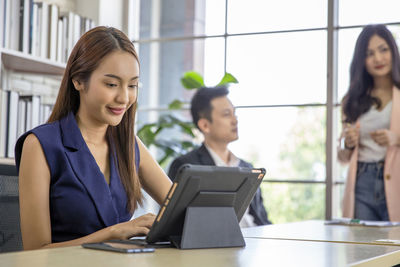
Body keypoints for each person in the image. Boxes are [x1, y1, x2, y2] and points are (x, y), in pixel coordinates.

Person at [14, 26, 173, 250]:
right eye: (111, 84)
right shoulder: (41, 145)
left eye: (132, 85)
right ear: (78, 80)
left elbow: (180, 207)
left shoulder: (129, 144)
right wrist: (114, 233)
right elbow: (35, 251)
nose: (124, 97)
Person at [168, 86, 271, 226]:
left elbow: (262, 219)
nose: (235, 120)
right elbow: (180, 225)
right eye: (227, 114)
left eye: (235, 113)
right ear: (205, 125)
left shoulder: (248, 168)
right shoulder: (186, 166)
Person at [339, 24, 400, 221]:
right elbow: (342, 156)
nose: (378, 59)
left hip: (396, 180)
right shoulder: (351, 100)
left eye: (383, 50)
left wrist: (396, 138)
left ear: (393, 50)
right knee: (363, 250)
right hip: (361, 183)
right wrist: (348, 143)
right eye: (369, 53)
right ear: (361, 60)